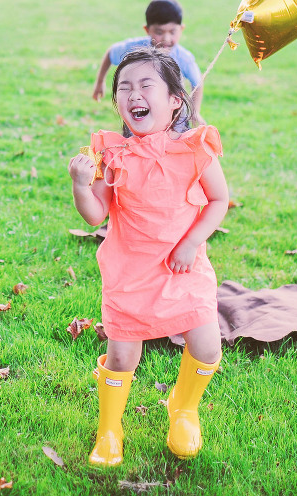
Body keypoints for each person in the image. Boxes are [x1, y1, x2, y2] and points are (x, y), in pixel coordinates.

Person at [69, 46, 228, 467]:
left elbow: (218, 200)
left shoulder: (194, 149)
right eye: (125, 87)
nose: (133, 93)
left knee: (208, 344)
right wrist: (81, 185)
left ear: (176, 100)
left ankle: (184, 407)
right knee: (123, 355)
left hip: (184, 266)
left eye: (145, 85)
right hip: (130, 270)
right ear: (119, 103)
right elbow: (95, 215)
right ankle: (109, 429)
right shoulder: (114, 155)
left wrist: (192, 243)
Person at [92, 0, 205, 123]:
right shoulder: (136, 49)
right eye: (159, 32)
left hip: (175, 119)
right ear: (147, 30)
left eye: (172, 32)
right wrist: (100, 82)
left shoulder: (184, 58)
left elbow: (197, 82)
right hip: (142, 114)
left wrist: (195, 111)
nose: (166, 38)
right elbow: (111, 53)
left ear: (181, 29)